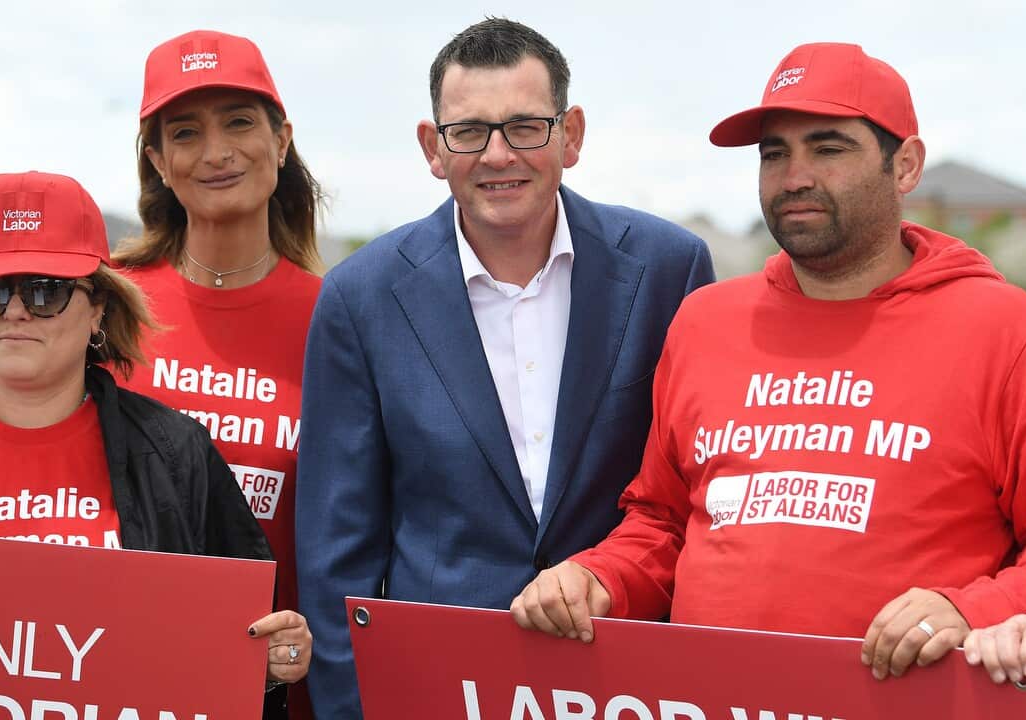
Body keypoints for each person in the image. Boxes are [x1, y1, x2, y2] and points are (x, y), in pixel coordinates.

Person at [511, 42, 1026, 684]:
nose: (794, 176)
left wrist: (973, 608)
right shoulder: (705, 322)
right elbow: (662, 523)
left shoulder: (1003, 329)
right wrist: (596, 577)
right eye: (774, 154)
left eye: (828, 148)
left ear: (906, 165)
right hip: (707, 696)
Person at [296, 18, 713, 719]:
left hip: (624, 682)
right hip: (434, 685)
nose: (497, 154)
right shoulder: (359, 297)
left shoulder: (670, 270)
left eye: (526, 127)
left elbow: (691, 499)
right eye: (468, 132)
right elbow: (337, 553)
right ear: (433, 147)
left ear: (570, 134)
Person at [0, 171, 311, 717]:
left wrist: (268, 658)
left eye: (46, 290)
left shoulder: (173, 451)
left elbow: (243, 640)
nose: (17, 311)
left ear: (99, 306)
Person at [111, 31, 323, 718]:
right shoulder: (104, 306)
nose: (217, 152)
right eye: (185, 132)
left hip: (278, 682)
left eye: (238, 121)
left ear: (281, 139)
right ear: (158, 161)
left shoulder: (340, 319)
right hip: (116, 666)